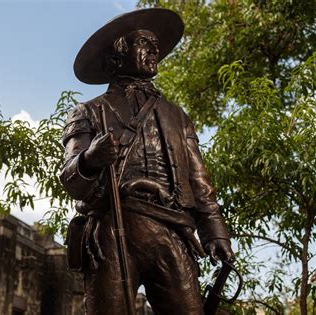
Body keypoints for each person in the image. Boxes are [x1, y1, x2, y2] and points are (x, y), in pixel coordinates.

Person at [60, 8, 234, 315]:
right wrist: (91, 159)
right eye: (144, 42)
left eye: (156, 45)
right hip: (113, 230)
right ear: (117, 56)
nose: (155, 49)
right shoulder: (87, 112)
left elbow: (200, 181)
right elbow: (70, 179)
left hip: (171, 231)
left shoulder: (177, 116)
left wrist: (215, 232)